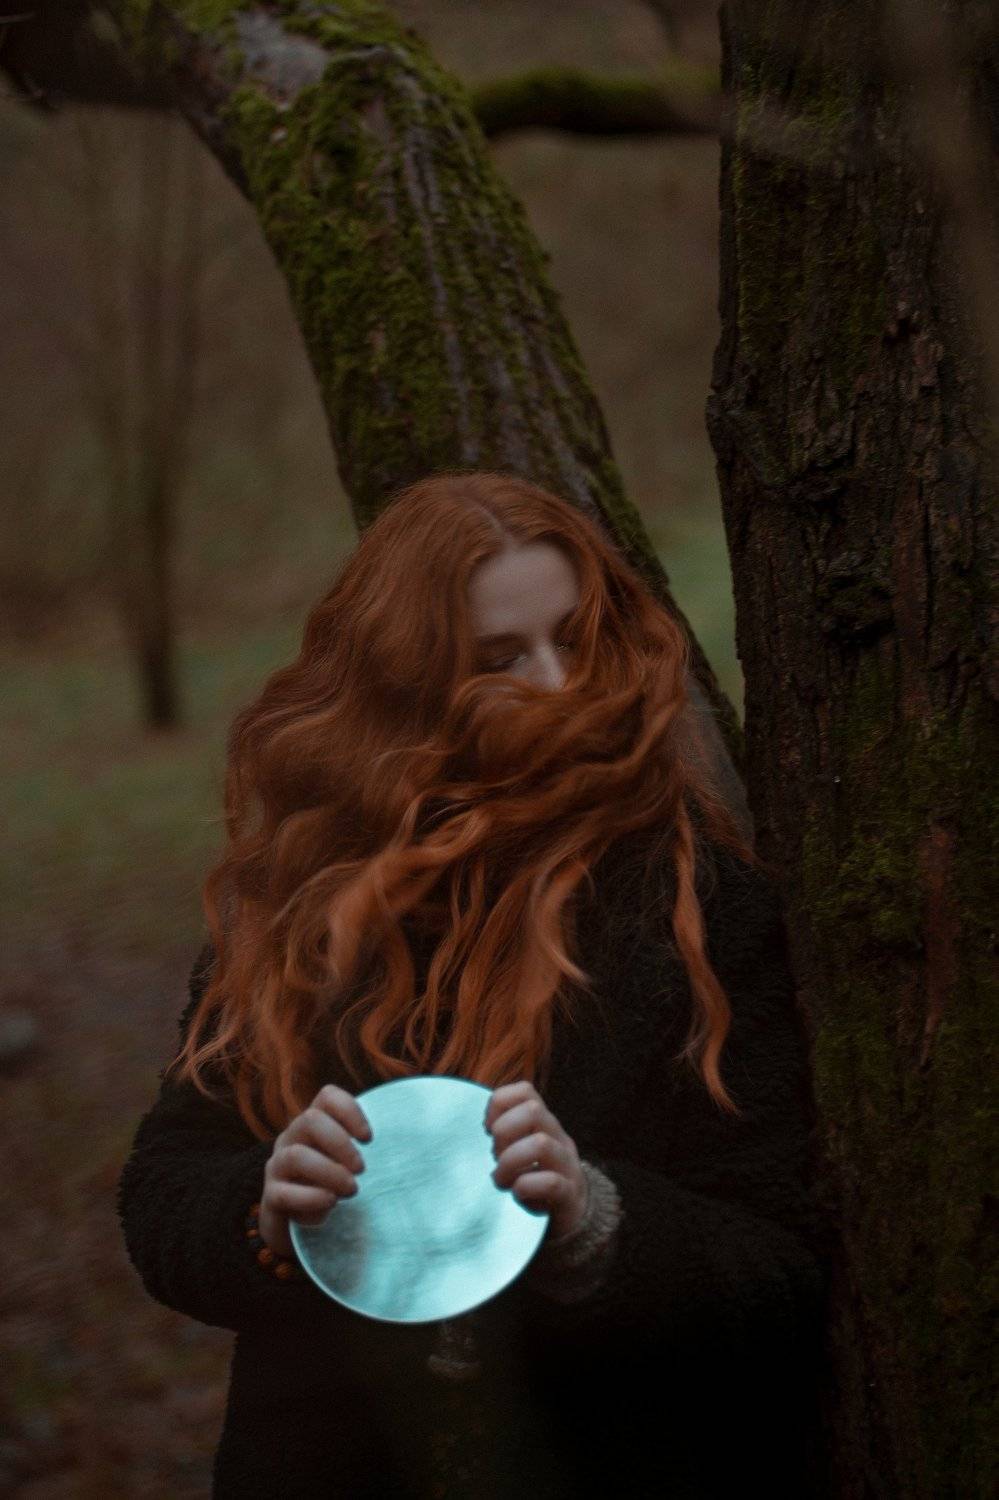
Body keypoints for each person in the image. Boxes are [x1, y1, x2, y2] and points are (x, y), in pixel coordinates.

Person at [116, 470, 832, 1498]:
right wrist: (263, 1211)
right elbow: (162, 1194)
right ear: (408, 682)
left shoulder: (698, 902)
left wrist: (597, 1221)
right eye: (501, 659)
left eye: (574, 639)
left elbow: (783, 1269)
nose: (559, 685)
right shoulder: (305, 893)